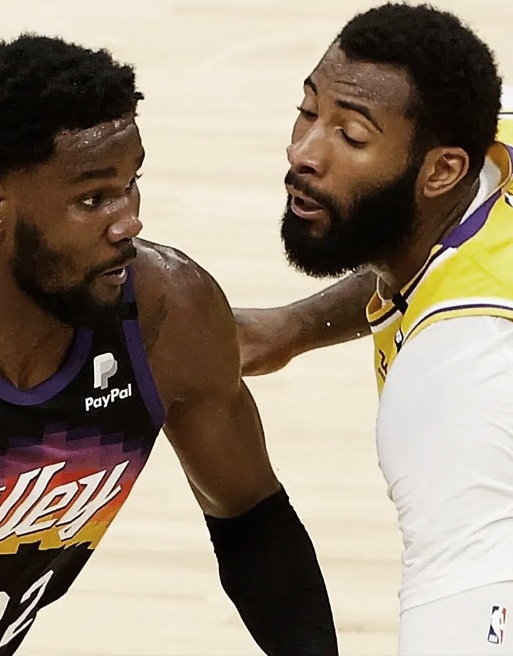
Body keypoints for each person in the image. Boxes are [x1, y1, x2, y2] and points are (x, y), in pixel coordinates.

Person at [0, 35, 337, 656]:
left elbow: (253, 523)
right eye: (92, 199)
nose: (129, 220)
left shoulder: (167, 313)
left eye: (131, 183)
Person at [234, 4, 513, 655]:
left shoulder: (455, 387)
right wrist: (296, 327)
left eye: (351, 138)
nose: (303, 153)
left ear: (443, 171)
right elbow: (423, 249)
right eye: (308, 111)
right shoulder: (488, 142)